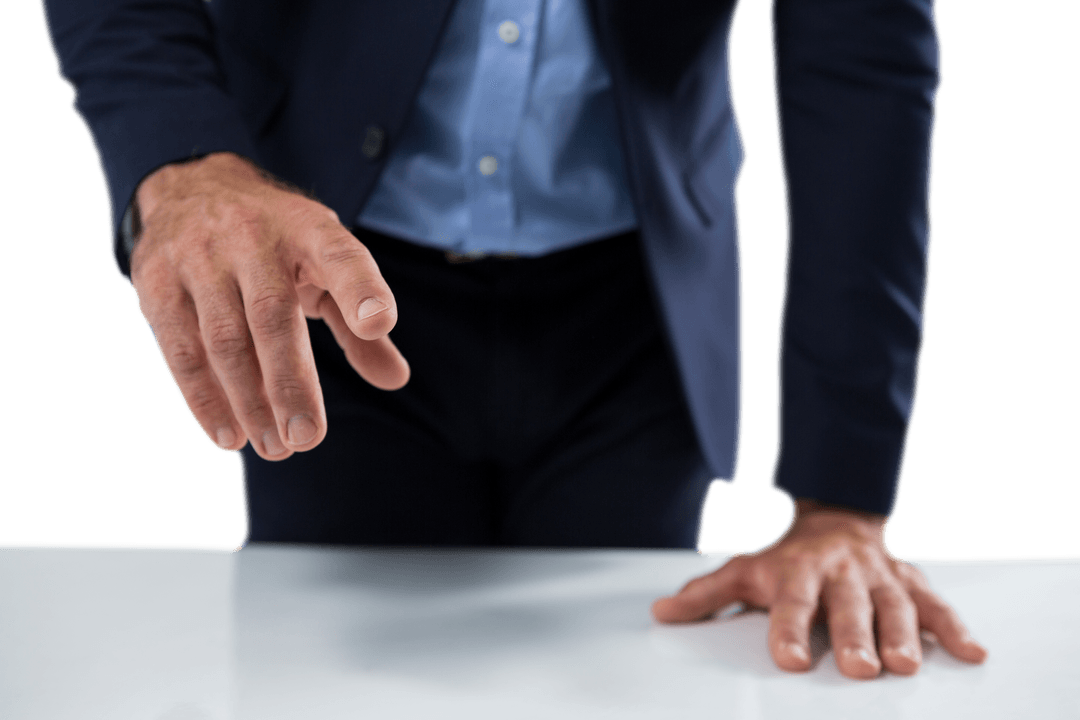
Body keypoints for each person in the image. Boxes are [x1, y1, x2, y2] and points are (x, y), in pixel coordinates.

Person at [40, 0, 988, 679]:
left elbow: (862, 61)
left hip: (638, 316)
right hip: (338, 275)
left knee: (621, 685)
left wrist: (841, 503)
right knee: (320, 683)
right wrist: (182, 161)